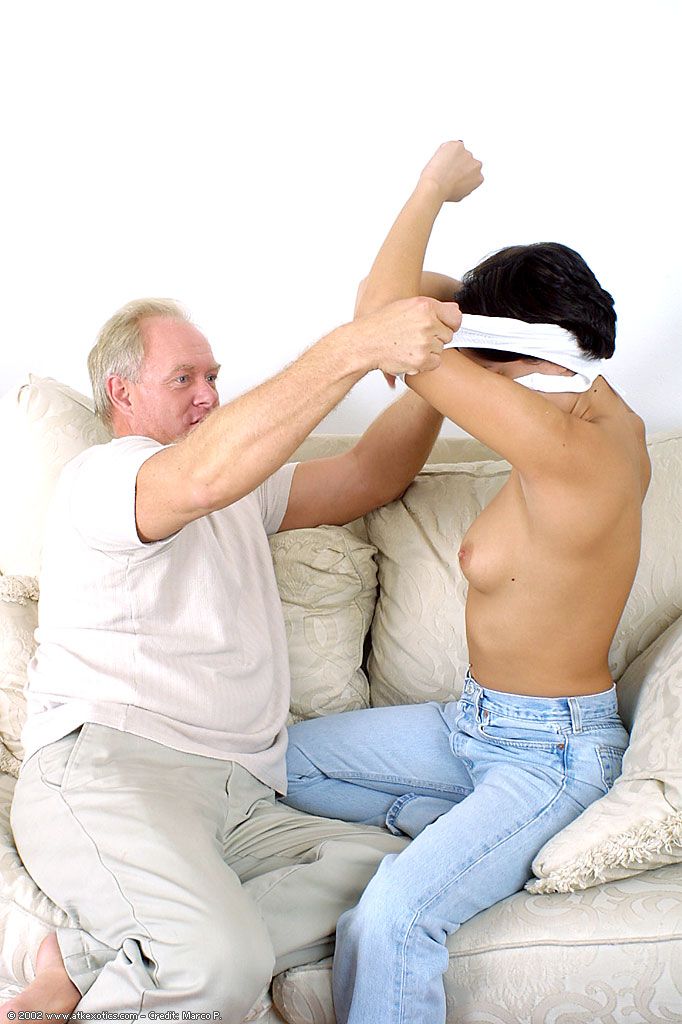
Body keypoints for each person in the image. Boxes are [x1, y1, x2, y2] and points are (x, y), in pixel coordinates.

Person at [1, 291, 464, 1021]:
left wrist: (447, 368)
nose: (208, 394)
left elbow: (371, 476)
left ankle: (89, 959)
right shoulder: (104, 478)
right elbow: (199, 477)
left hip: (241, 799)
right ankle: (166, 957)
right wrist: (357, 345)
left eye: (213, 377)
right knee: (222, 965)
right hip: (115, 772)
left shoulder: (240, 489)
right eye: (183, 378)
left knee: (407, 875)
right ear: (121, 392)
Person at [282, 141, 650, 1024]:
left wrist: (432, 189)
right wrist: (468, 318)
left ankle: (462, 843)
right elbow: (402, 302)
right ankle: (450, 831)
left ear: (517, 347)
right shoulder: (569, 410)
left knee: (393, 919)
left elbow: (378, 318)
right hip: (473, 725)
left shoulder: (575, 449)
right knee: (278, 761)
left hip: (551, 756)